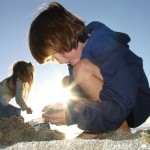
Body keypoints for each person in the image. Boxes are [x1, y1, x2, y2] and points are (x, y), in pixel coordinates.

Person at [28, 2, 150, 132]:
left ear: (71, 32)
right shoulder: (74, 58)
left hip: (134, 105)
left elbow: (121, 102)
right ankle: (100, 131)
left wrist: (73, 116)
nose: (59, 60)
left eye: (58, 50)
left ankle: (121, 132)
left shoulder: (104, 46)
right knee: (68, 82)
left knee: (81, 70)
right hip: (113, 109)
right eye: (52, 57)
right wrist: (65, 108)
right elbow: (80, 95)